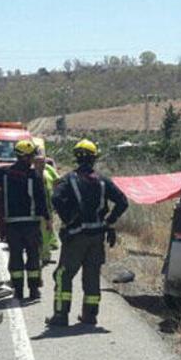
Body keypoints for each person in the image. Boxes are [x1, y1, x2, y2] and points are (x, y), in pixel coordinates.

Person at [48, 139, 128, 327]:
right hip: (97, 237)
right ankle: (90, 316)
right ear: (94, 158)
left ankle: (60, 316)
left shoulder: (69, 179)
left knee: (63, 275)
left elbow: (56, 198)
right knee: (92, 276)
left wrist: (69, 219)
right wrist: (108, 222)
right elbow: (123, 202)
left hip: (75, 236)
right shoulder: (103, 181)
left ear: (76, 157)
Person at [0, 140, 51, 300]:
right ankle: (34, 291)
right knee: (33, 257)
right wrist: (47, 220)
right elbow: (41, 201)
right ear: (29, 157)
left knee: (16, 258)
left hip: (13, 225)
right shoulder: (35, 176)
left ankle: (18, 291)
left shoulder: (5, 173)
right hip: (31, 225)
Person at [32, 140, 60, 264]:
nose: (41, 164)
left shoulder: (48, 170)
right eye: (38, 162)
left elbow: (58, 182)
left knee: (47, 233)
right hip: (35, 209)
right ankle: (38, 255)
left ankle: (45, 256)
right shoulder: (30, 173)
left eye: (42, 161)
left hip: (48, 208)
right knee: (37, 234)